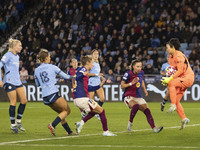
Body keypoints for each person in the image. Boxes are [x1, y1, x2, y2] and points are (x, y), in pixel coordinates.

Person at [34, 49, 75, 136]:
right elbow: (67, 77)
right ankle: (52, 125)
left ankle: (69, 131)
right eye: (49, 56)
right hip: (53, 93)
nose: (50, 58)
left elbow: (38, 85)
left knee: (61, 113)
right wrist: (76, 76)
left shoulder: (36, 70)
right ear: (46, 58)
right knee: (67, 111)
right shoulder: (52, 67)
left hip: (45, 97)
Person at [73, 55, 116, 136]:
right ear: (88, 63)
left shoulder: (82, 71)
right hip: (82, 99)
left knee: (97, 111)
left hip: (78, 99)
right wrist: (82, 74)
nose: (93, 65)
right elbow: (76, 77)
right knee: (102, 111)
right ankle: (105, 132)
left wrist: (99, 85)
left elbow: (88, 87)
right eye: (92, 63)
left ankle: (81, 122)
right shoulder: (83, 70)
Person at [121, 59, 163, 133]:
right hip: (129, 96)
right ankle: (130, 123)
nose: (139, 68)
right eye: (137, 66)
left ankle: (154, 128)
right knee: (136, 106)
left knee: (147, 110)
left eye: (140, 66)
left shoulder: (141, 73)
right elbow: (122, 86)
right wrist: (131, 83)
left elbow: (142, 81)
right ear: (133, 66)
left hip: (138, 96)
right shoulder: (128, 74)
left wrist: (144, 89)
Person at [161, 38, 194, 130]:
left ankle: (172, 105)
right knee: (176, 99)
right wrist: (168, 76)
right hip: (181, 79)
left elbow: (179, 71)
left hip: (188, 78)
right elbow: (173, 71)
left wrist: (169, 79)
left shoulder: (179, 56)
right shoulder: (171, 58)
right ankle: (184, 119)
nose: (166, 49)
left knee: (171, 83)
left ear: (173, 47)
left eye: (167, 48)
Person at [0, 39, 27, 133]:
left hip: (17, 81)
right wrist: (0, 79)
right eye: (20, 45)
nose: (21, 47)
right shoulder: (7, 55)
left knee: (24, 100)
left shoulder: (17, 56)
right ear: (14, 46)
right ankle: (13, 125)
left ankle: (18, 121)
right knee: (13, 102)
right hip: (9, 81)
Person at [87, 49, 106, 119]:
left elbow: (98, 74)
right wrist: (96, 74)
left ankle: (97, 112)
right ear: (92, 55)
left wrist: (102, 78)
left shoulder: (98, 64)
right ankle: (85, 113)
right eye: (94, 54)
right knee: (91, 102)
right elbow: (87, 73)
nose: (96, 55)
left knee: (102, 99)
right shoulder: (90, 63)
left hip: (98, 83)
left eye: (97, 54)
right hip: (91, 83)